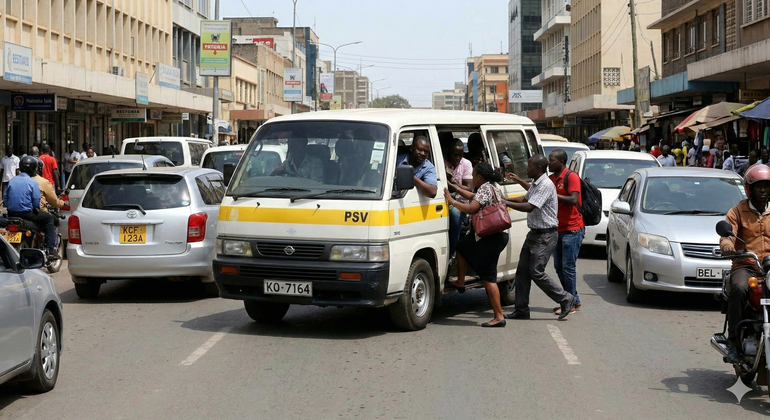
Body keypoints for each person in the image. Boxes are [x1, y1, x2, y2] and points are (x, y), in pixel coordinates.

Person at [502, 155, 577, 320]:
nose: (527, 168)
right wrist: (504, 199)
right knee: (522, 272)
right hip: (534, 234)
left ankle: (566, 298)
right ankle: (521, 309)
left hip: (545, 235)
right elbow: (524, 198)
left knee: (536, 271)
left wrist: (505, 203)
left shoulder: (545, 185)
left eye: (529, 166)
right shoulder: (536, 183)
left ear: (539, 168)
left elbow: (530, 206)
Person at [443, 162, 509, 327]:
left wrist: (452, 202)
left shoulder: (485, 188)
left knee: (489, 278)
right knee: (462, 246)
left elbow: (472, 208)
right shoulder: (492, 187)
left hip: (490, 239)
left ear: (480, 177)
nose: (472, 179)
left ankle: (499, 317)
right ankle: (461, 281)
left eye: (473, 176)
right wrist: (455, 188)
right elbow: (473, 196)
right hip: (497, 236)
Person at [720, 164, 770, 363]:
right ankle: (733, 342)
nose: (763, 190)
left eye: (766, 186)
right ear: (749, 188)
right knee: (739, 288)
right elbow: (727, 235)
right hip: (746, 265)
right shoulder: (738, 211)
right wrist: (728, 247)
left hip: (769, 268)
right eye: (759, 186)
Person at [548, 149, 585, 315]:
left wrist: (553, 195)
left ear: (561, 162)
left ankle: (569, 303)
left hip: (572, 229)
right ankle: (573, 299)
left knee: (568, 267)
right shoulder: (551, 178)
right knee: (558, 266)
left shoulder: (571, 177)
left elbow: (573, 199)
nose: (549, 163)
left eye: (552, 160)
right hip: (557, 228)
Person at [3, 156, 59, 259]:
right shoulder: (33, 183)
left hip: (11, 213)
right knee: (49, 219)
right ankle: (51, 250)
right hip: (27, 214)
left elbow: (5, 199)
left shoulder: (12, 181)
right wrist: (34, 208)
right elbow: (36, 203)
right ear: (34, 169)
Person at [444, 138, 474, 257]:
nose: (458, 158)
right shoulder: (442, 162)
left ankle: (453, 252)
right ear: (449, 153)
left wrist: (453, 184)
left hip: (460, 203)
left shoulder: (466, 164)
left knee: (455, 214)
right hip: (444, 200)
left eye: (460, 155)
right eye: (455, 155)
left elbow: (469, 189)